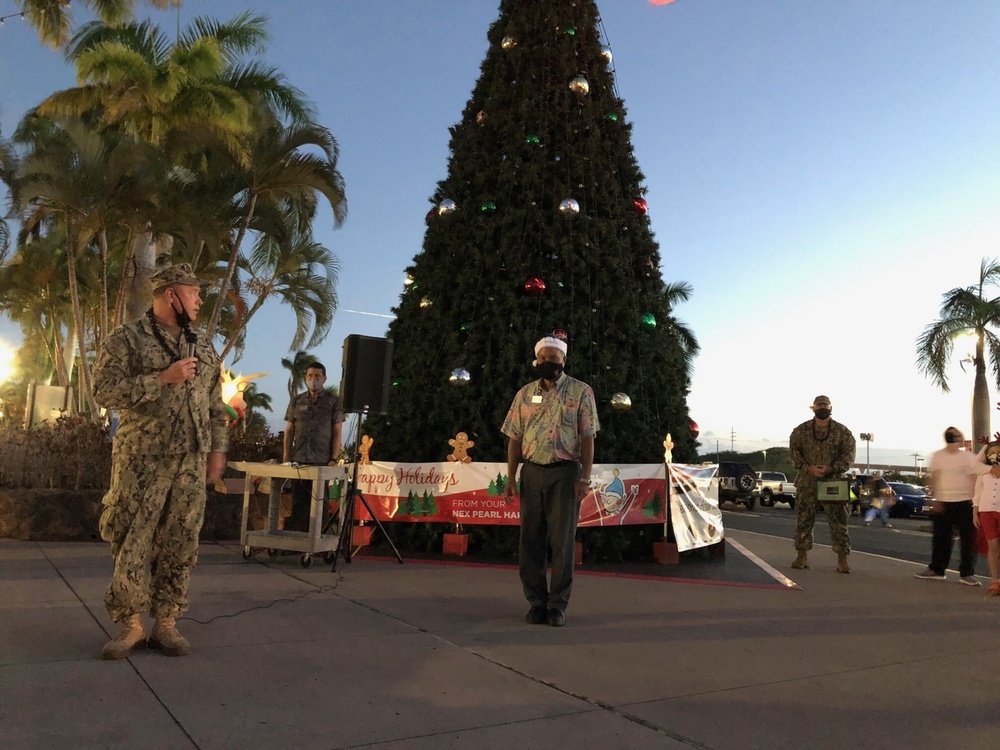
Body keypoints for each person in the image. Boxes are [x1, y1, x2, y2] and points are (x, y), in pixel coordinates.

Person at [93, 263, 228, 659]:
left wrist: (217, 452)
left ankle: (166, 622)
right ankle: (131, 625)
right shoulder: (127, 339)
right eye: (193, 292)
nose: (200, 299)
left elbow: (215, 405)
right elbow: (103, 390)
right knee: (132, 538)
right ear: (172, 294)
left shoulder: (202, 345)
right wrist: (162, 379)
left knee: (181, 539)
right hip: (141, 459)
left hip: (189, 460)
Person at [502, 335, 599, 627]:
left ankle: (557, 606)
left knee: (562, 543)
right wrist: (511, 476)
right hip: (531, 473)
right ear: (536, 360)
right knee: (530, 541)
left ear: (564, 360)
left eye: (554, 358)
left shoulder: (581, 392)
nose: (548, 363)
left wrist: (585, 477)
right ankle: (536, 603)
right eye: (543, 358)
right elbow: (514, 438)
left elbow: (588, 437)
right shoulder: (524, 394)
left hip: (565, 474)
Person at [916, 427, 997, 584]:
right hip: (944, 501)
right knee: (941, 539)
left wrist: (975, 501)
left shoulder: (968, 457)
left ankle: (967, 574)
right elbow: (934, 477)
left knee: (968, 540)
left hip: (964, 501)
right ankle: (937, 569)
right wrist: (933, 498)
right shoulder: (938, 456)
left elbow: (975, 477)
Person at [789, 395, 857, 573]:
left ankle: (842, 560)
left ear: (831, 407)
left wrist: (830, 469)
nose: (822, 408)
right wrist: (807, 467)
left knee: (838, 522)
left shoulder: (843, 432)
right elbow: (794, 453)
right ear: (813, 408)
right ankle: (801, 556)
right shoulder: (800, 431)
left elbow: (848, 457)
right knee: (804, 520)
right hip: (807, 481)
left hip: (833, 482)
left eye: (825, 405)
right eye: (819, 405)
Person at [282, 361, 344, 532]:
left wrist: (334, 458)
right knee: (298, 502)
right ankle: (297, 543)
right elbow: (289, 431)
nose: (313, 379)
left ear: (324, 378)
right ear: (305, 378)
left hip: (322, 461)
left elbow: (337, 431)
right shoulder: (296, 401)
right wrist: (286, 458)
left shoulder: (334, 402)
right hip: (299, 459)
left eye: (317, 376)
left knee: (319, 502)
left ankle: (319, 541)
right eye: (310, 376)